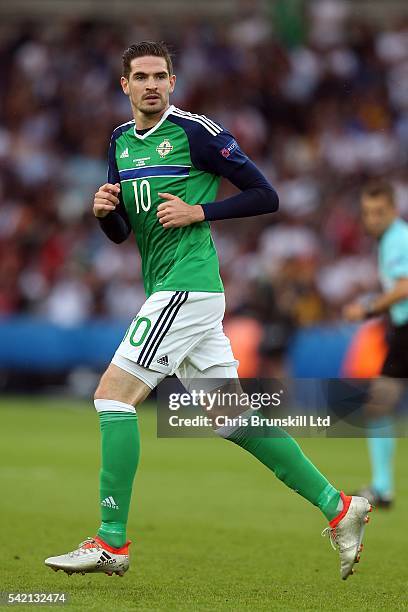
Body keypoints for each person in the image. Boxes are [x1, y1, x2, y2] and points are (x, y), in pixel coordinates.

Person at [45, 41, 371, 581]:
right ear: (123, 85)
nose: (152, 84)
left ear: (173, 82)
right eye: (141, 76)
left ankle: (112, 542)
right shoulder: (120, 142)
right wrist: (105, 214)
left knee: (112, 397)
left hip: (186, 287)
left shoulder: (195, 132)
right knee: (228, 417)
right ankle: (339, 507)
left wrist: (202, 209)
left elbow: (266, 195)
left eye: (161, 75)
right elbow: (125, 233)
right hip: (171, 286)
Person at [344, 181, 408, 508]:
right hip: (400, 329)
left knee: (378, 406)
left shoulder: (398, 238)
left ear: (394, 210)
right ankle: (382, 487)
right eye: (368, 212)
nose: (372, 219)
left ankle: (383, 488)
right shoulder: (391, 239)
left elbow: (404, 287)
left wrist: (368, 308)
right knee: (379, 406)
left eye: (379, 212)